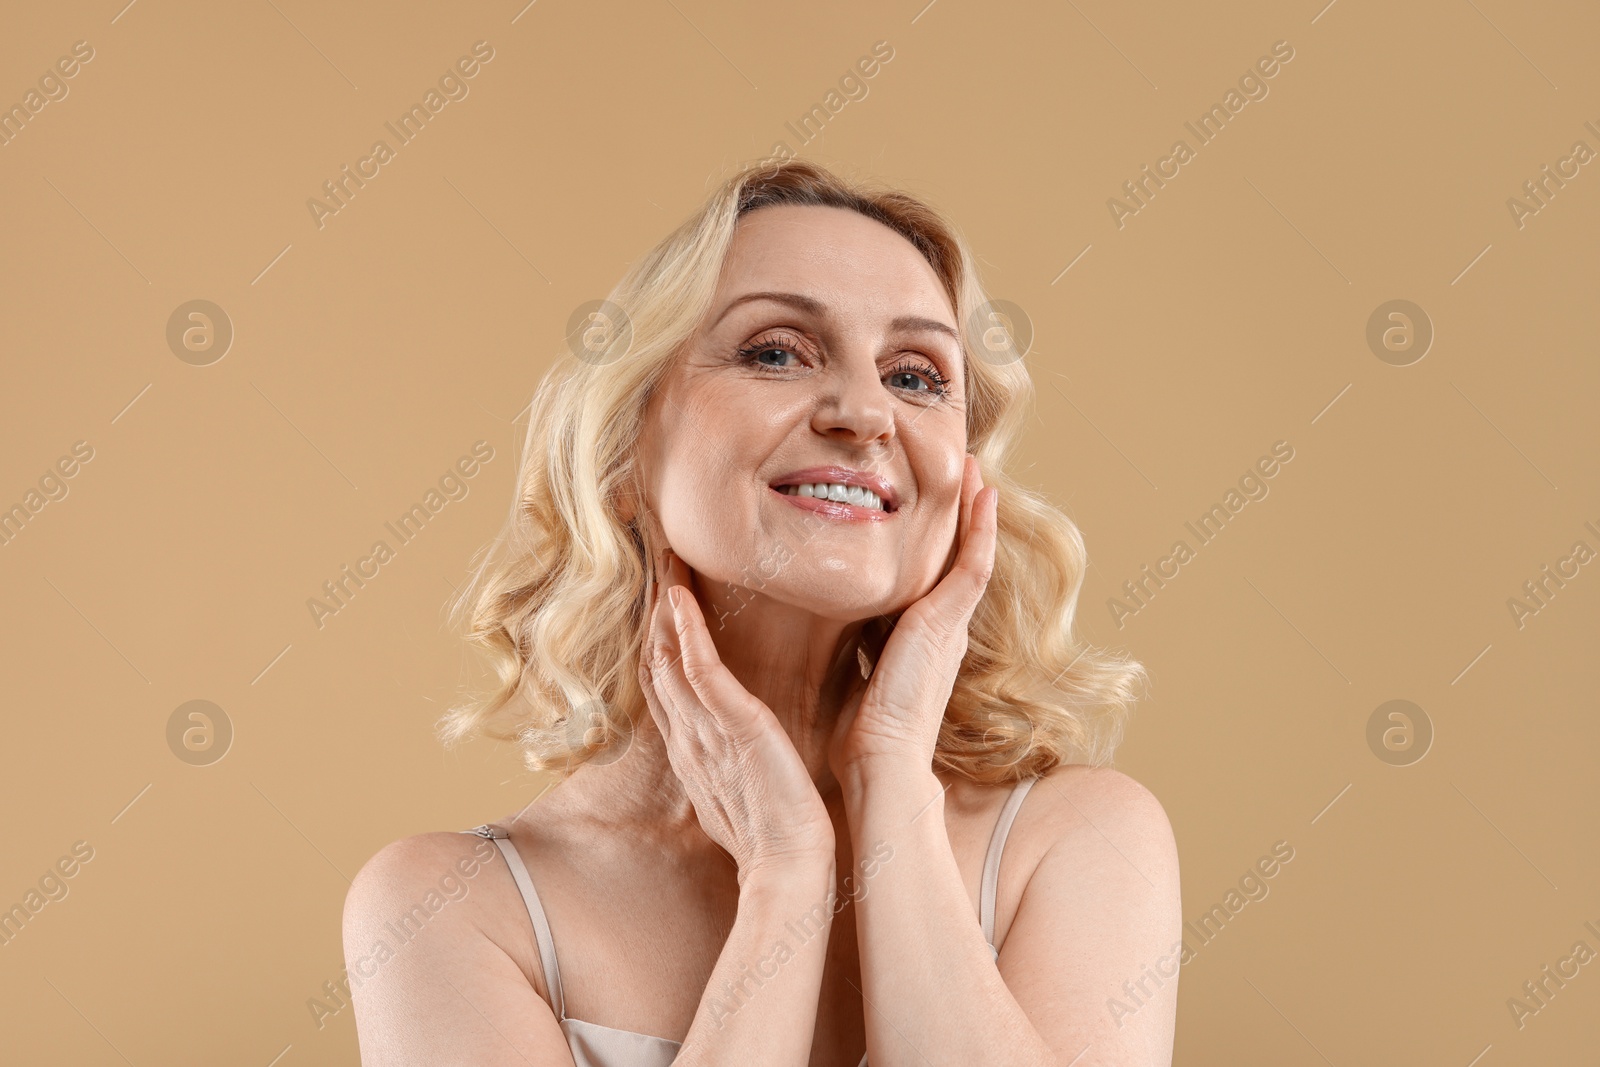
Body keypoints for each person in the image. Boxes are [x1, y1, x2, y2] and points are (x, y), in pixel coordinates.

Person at [344, 158, 1181, 1066]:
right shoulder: (448, 909)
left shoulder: (1082, 840)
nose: (866, 412)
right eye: (776, 351)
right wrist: (784, 874)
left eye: (916, 375)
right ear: (624, 452)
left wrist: (891, 779)